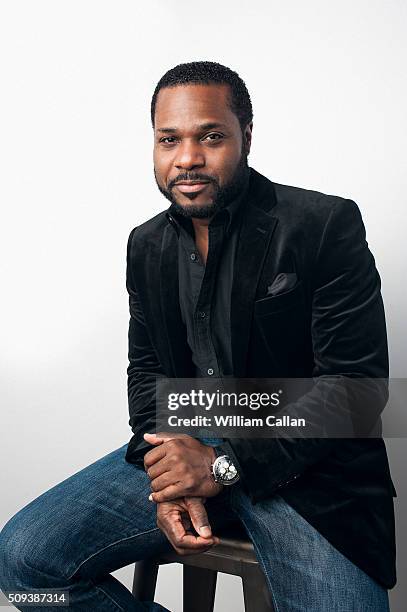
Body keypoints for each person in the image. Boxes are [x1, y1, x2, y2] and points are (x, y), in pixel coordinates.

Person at [0, 61, 397, 611]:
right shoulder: (145, 245)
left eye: (211, 135)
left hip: (308, 472)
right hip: (190, 435)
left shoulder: (323, 223)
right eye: (169, 139)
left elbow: (356, 390)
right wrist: (166, 469)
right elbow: (147, 372)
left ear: (246, 137)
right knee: (23, 564)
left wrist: (221, 465)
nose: (187, 157)